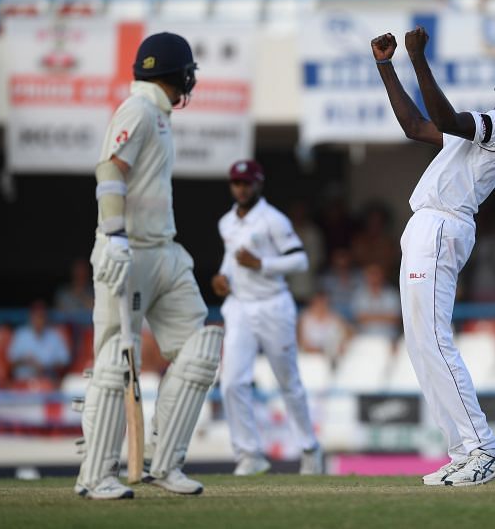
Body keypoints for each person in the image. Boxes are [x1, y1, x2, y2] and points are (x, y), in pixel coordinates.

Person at [372, 27, 495, 486]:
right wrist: (385, 66)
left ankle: (485, 449)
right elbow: (417, 127)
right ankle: (463, 450)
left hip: (441, 225)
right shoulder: (485, 129)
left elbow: (447, 118)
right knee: (419, 344)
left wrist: (417, 58)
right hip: (427, 225)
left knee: (432, 338)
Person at [76, 32, 224, 500]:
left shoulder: (158, 115)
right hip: (127, 252)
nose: (191, 81)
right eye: (188, 73)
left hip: (164, 250)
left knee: (200, 349)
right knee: (117, 363)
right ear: (177, 74)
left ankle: (165, 463)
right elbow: (109, 170)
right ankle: (96, 475)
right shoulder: (137, 109)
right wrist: (115, 235)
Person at [212, 160, 322, 476]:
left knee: (288, 381)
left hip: (273, 305)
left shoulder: (274, 220)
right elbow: (229, 259)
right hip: (240, 306)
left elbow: (299, 260)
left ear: (258, 184)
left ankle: (310, 448)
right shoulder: (226, 223)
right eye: (236, 183)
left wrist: (262, 264)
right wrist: (222, 276)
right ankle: (249, 454)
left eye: (247, 183)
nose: (241, 188)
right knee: (232, 381)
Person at [8, 300, 70, 384]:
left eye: (41, 316)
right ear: (31, 317)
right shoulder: (21, 334)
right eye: (36, 316)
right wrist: (27, 361)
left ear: (46, 318)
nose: (39, 320)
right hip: (23, 382)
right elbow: (11, 361)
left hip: (47, 381)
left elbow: (64, 361)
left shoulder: (54, 336)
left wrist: (45, 366)